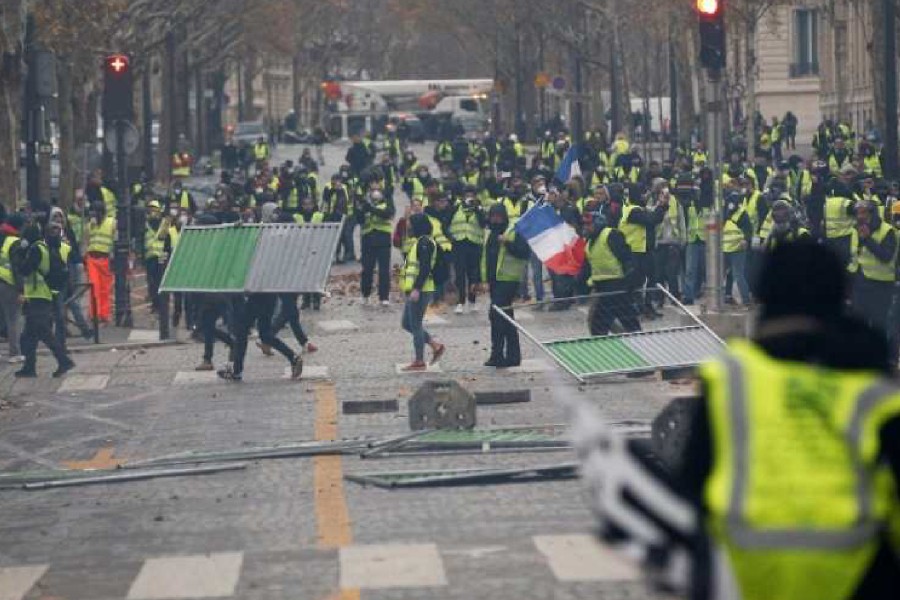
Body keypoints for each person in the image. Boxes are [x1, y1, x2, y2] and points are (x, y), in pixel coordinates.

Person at [673, 240, 900, 600]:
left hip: (743, 568)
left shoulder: (731, 377)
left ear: (764, 293)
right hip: (857, 572)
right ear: (843, 294)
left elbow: (692, 485)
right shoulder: (874, 388)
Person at [14, 221, 75, 378]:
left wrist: (20, 253)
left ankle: (64, 360)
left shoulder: (36, 249)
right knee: (29, 335)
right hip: (41, 294)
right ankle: (29, 367)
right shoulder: (44, 247)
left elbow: (25, 270)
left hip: (38, 295)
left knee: (44, 332)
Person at [481, 203, 529, 368]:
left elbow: (524, 252)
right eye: (492, 216)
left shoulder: (513, 231)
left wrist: (507, 242)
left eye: (498, 216)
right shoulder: (489, 232)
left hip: (508, 280)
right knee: (506, 318)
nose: (495, 220)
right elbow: (485, 257)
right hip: (495, 280)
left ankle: (498, 355)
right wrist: (482, 280)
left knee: (498, 316)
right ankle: (512, 356)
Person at [218, 293, 303, 382]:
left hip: (256, 296)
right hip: (269, 295)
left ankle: (236, 371)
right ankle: (293, 358)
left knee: (242, 331)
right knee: (265, 334)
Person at [399, 213, 446, 371]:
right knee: (406, 323)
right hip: (416, 289)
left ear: (418, 225)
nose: (408, 227)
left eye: (410, 224)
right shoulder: (420, 242)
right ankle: (435, 345)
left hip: (421, 289)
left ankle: (419, 360)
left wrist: (417, 289)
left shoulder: (425, 243)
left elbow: (425, 268)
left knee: (416, 324)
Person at [584, 211, 640, 336]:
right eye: (585, 225)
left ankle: (640, 344)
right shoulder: (589, 242)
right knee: (599, 326)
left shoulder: (611, 235)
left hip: (618, 287)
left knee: (628, 322)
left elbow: (627, 259)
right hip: (601, 288)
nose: (586, 227)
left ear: (597, 224)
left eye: (589, 224)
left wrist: (629, 284)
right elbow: (589, 267)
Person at [849, 200, 897, 334]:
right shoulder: (856, 229)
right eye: (857, 212)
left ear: (873, 214)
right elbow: (854, 256)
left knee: (878, 324)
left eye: (863, 212)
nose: (860, 216)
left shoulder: (887, 231)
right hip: (860, 282)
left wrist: (867, 239)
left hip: (880, 285)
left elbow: (886, 256)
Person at [448, 185, 485, 314]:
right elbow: (446, 222)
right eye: (467, 195)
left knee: (473, 274)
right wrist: (450, 238)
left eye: (472, 195)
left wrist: (477, 208)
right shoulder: (456, 207)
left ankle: (473, 300)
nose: (469, 197)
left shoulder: (479, 207)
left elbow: (483, 223)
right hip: (459, 244)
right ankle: (460, 302)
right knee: (459, 275)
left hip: (474, 244)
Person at [358, 183, 395, 306]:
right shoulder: (364, 203)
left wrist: (372, 209)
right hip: (367, 239)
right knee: (367, 269)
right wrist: (361, 208)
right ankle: (365, 294)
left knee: (384, 270)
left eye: (378, 190)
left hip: (383, 239)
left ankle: (384, 297)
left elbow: (388, 214)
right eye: (373, 190)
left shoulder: (387, 202)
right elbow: (359, 220)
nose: (375, 192)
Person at [85, 202, 115, 323]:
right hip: (92, 258)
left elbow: (115, 238)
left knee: (105, 289)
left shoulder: (111, 223)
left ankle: (104, 314)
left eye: (96, 213)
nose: (94, 215)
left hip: (105, 259)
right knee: (94, 286)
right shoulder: (90, 225)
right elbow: (86, 241)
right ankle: (94, 314)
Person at [0, 214, 24, 362]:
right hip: (10, 284)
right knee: (14, 319)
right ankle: (15, 353)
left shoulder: (3, 238)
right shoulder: (15, 242)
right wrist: (21, 290)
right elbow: (17, 268)